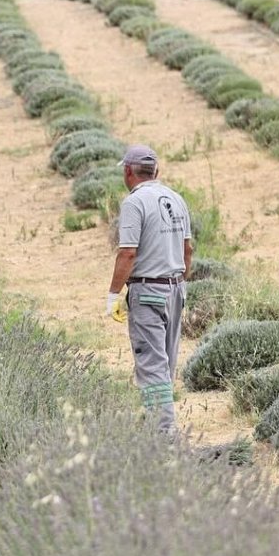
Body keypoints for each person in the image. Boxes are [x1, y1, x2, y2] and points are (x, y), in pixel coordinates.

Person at [107, 145, 192, 435]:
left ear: (128, 171)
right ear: (156, 170)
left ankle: (163, 435)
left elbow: (128, 253)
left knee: (152, 365)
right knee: (166, 362)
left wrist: (113, 293)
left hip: (148, 291)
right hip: (176, 288)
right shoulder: (176, 198)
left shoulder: (134, 203)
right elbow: (187, 249)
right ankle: (158, 423)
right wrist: (180, 285)